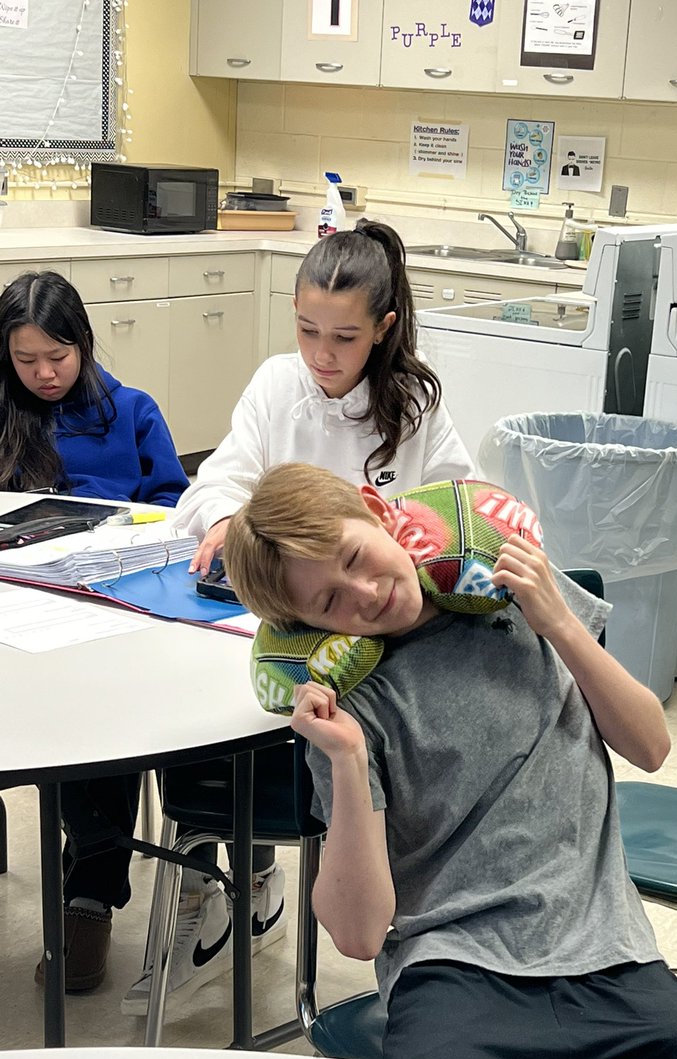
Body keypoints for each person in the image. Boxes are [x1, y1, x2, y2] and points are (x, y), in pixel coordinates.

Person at [224, 461, 677, 1059]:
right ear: (308, 627)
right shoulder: (354, 707)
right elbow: (360, 934)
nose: (366, 595)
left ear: (377, 511)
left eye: (357, 559)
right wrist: (345, 760)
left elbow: (650, 744)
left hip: (613, 960)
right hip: (456, 978)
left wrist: (559, 621)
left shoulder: (516, 600)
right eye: (331, 602)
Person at [120, 220, 474, 1016]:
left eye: (344, 338)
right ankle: (230, 879)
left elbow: (457, 517)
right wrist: (222, 522)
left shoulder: (414, 407)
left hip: (374, 647)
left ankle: (256, 878)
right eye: (307, 329)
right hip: (273, 628)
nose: (322, 353)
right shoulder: (278, 385)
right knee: (205, 719)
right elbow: (214, 483)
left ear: (383, 330)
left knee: (314, 747)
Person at [0, 269, 189, 992]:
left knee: (95, 724)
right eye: (26, 361)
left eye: (58, 356)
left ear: (83, 342)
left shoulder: (132, 412)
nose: (45, 374)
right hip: (18, 606)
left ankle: (90, 892)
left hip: (112, 610)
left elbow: (175, 510)